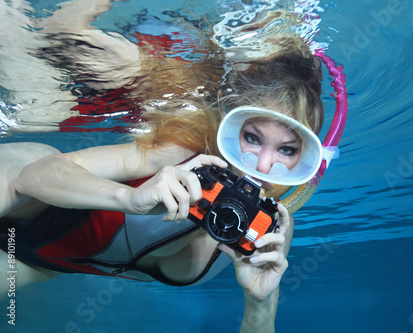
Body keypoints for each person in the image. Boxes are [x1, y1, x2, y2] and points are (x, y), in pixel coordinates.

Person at [0, 1, 325, 332]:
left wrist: (260, 301)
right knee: (38, 116)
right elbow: (29, 176)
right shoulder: (183, 150)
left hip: (35, 262)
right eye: (253, 138)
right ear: (230, 129)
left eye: (287, 149)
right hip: (24, 197)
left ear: (308, 158)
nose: (264, 165)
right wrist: (128, 199)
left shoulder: (271, 228)